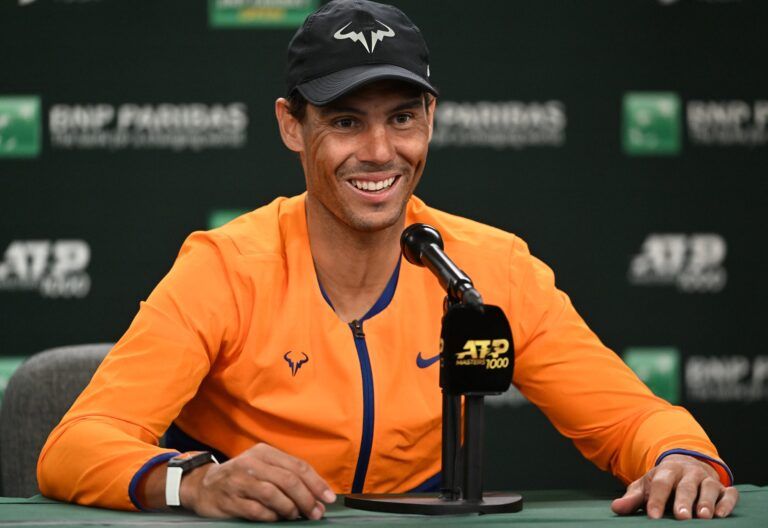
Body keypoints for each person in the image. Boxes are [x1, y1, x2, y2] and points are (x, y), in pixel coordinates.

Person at [38, 0, 739, 522]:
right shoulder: (225, 267)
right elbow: (76, 445)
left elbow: (631, 419)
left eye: (402, 117)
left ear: (430, 119)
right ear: (291, 125)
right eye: (345, 121)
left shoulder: (488, 268)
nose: (379, 151)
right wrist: (193, 483)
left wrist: (681, 455)